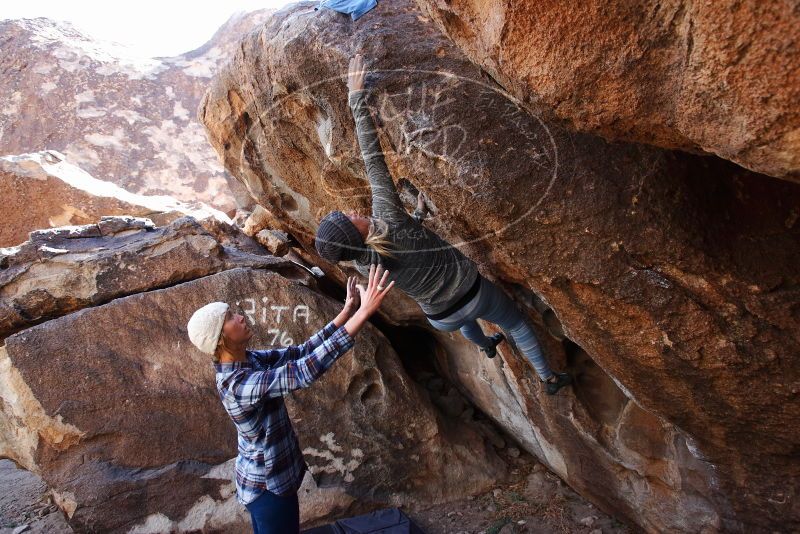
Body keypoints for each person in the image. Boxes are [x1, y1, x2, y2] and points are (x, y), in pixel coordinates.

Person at [314, 54, 571, 395]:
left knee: (466, 323)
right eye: (346, 217)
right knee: (517, 324)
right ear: (354, 232)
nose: (349, 210)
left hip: (441, 316)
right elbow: (371, 156)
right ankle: (548, 378)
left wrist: (417, 218)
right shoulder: (388, 216)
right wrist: (355, 98)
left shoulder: (364, 261)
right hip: (472, 291)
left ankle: (486, 345)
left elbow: (403, 253)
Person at [186, 265, 394, 534]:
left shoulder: (247, 362)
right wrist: (364, 313)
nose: (240, 317)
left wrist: (346, 312)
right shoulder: (238, 384)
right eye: (230, 317)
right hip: (267, 488)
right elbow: (305, 370)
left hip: (265, 482)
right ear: (221, 339)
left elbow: (300, 353)